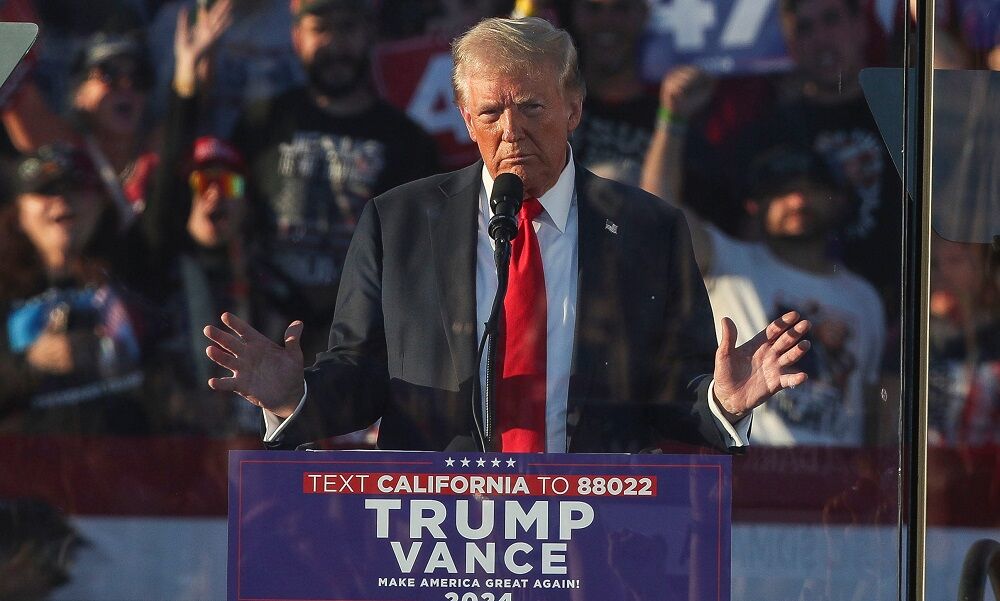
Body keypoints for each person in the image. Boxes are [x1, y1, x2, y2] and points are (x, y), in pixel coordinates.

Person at [203, 16, 813, 453]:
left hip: (591, 532)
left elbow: (669, 390)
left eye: (533, 107)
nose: (511, 130)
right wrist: (296, 398)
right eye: (491, 113)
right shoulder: (399, 222)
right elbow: (361, 375)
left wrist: (723, 402)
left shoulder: (648, 228)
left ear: (573, 107)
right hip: (437, 533)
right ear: (465, 119)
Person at [227, 0, 441, 365]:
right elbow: (232, 194)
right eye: (321, 29)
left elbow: (418, 255)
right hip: (262, 334)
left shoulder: (408, 143)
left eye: (348, 28)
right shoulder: (261, 124)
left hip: (360, 349)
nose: (335, 44)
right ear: (296, 38)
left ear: (370, 35)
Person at [651, 145, 886, 446]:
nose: (798, 200)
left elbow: (873, 406)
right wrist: (672, 120)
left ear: (839, 200)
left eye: (812, 188)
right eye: (782, 191)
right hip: (746, 468)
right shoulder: (727, 260)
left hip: (838, 480)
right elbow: (659, 214)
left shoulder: (865, 298)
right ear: (754, 205)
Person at [567, 0, 659, 186]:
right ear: (574, 13)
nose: (606, 21)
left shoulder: (672, 108)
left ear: (644, 14)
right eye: (593, 8)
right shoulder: (552, 102)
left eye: (621, 8)